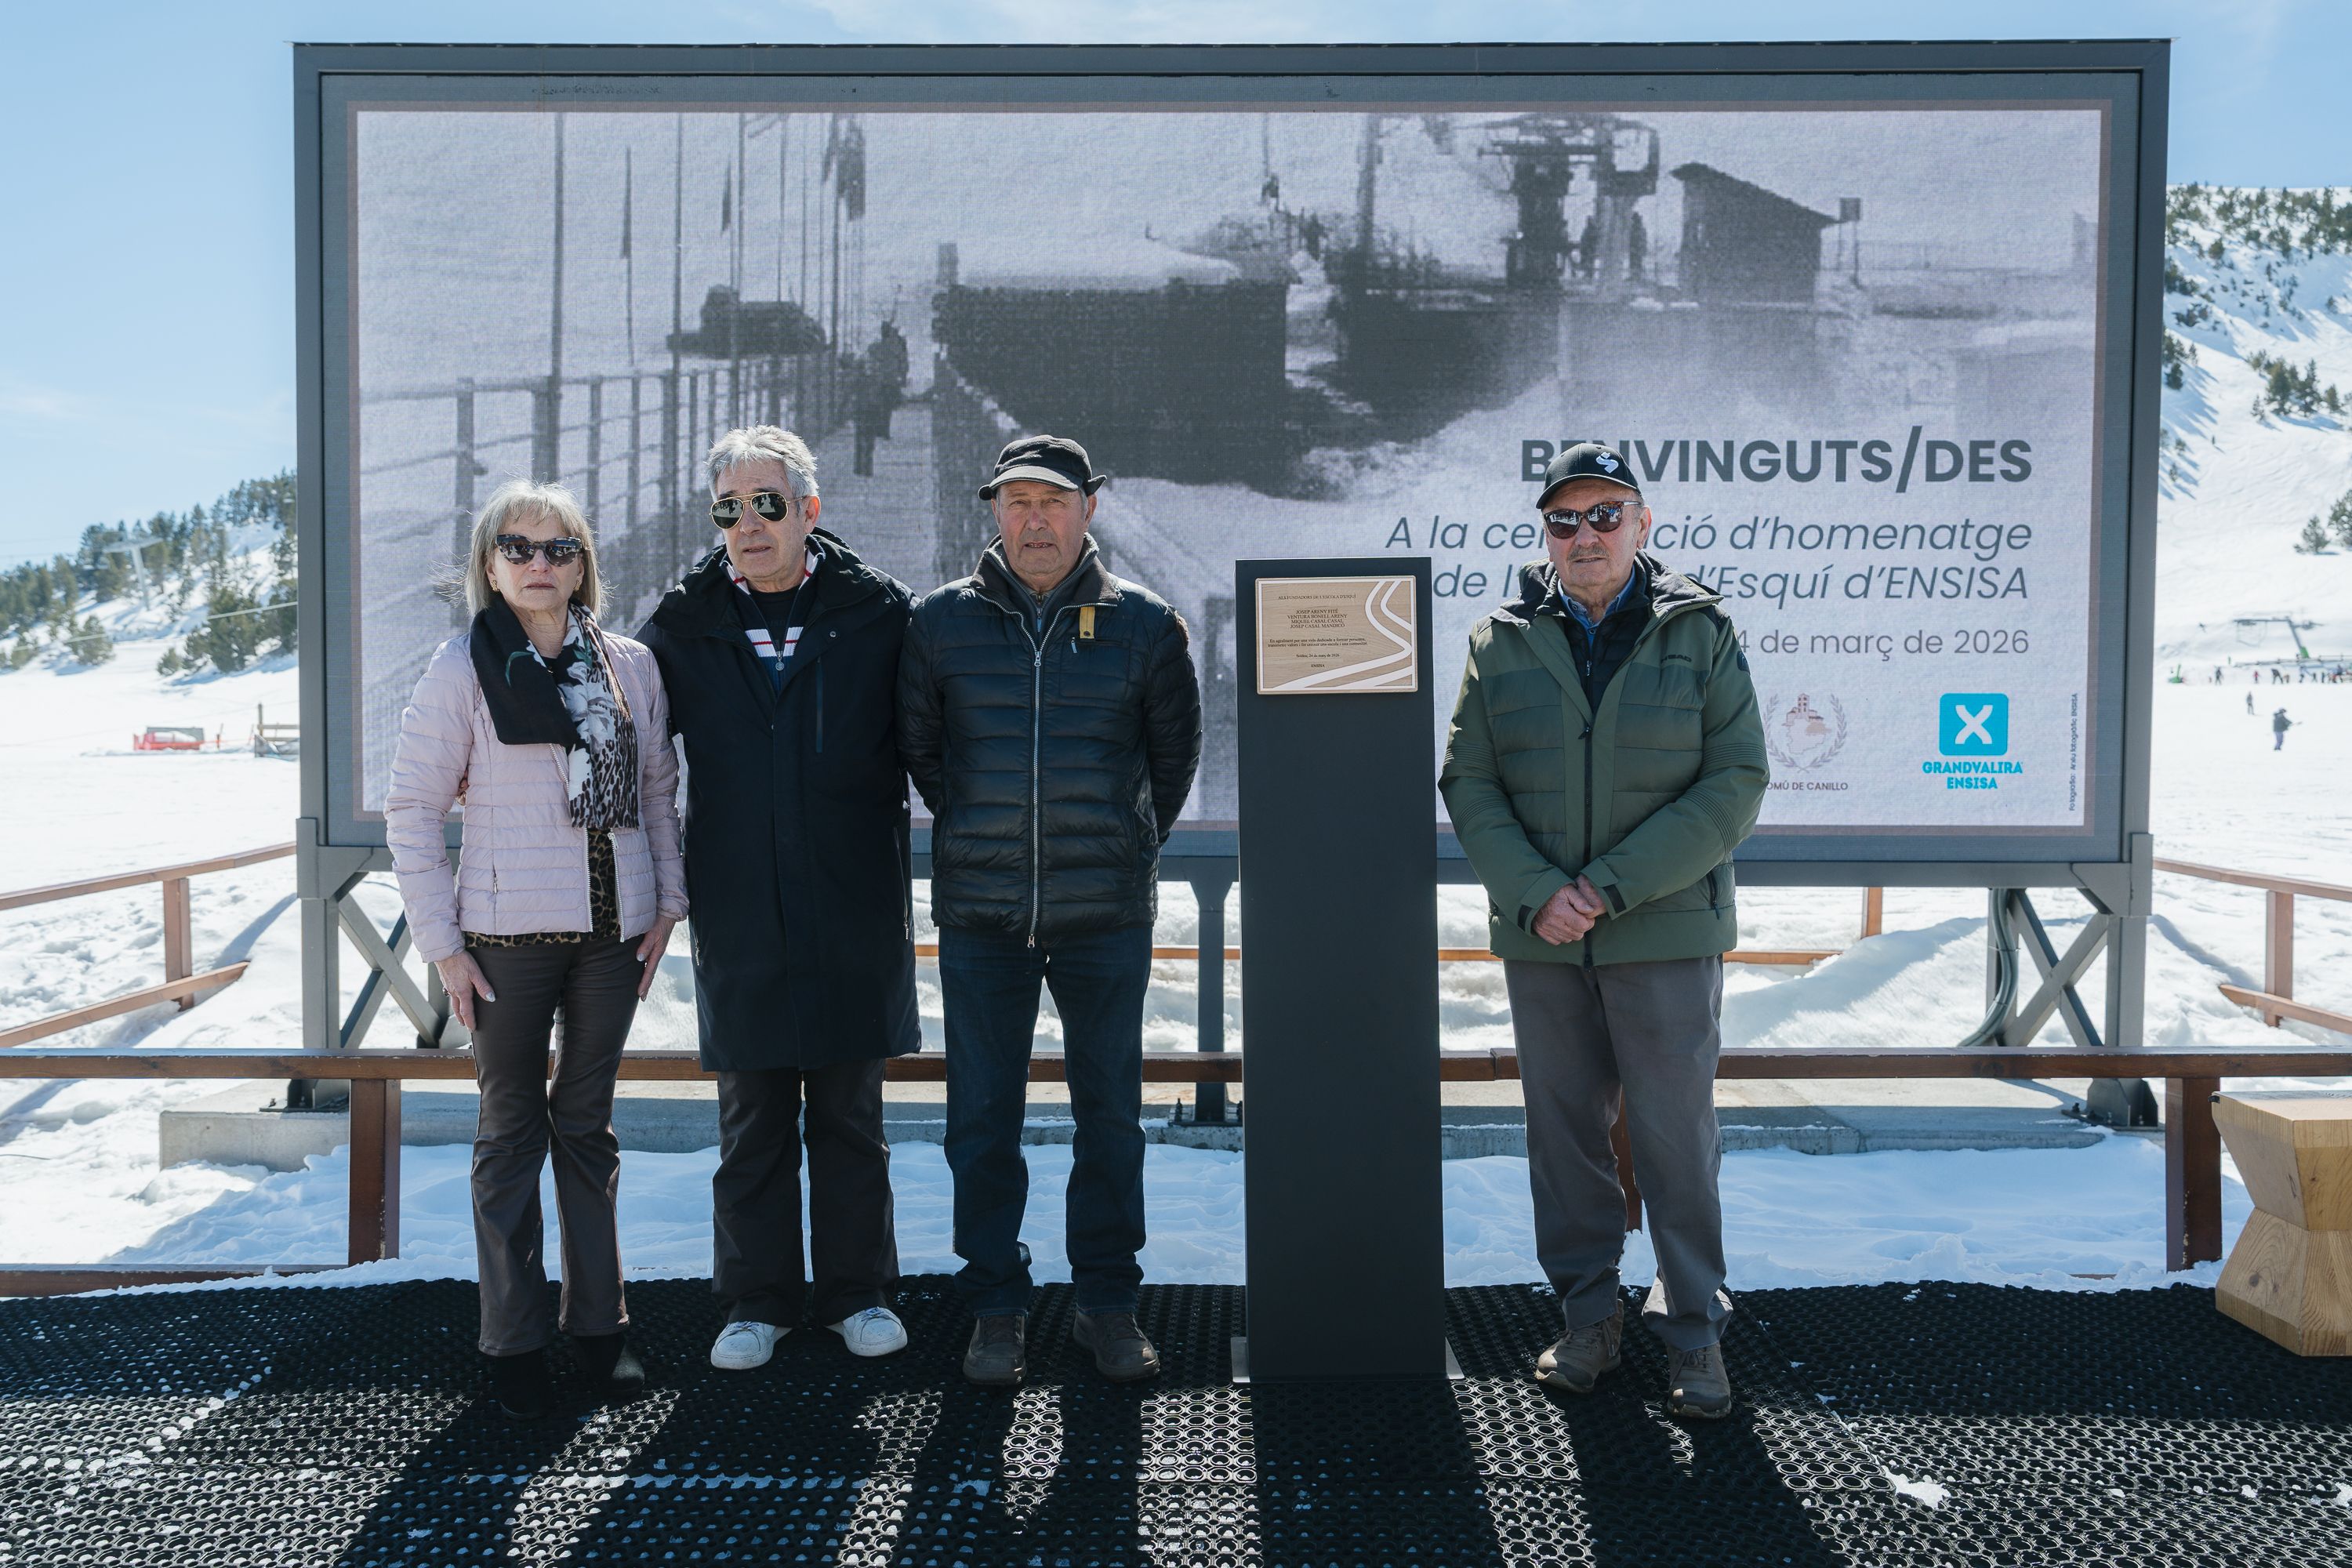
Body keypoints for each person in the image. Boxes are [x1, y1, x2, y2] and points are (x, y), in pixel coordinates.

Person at [1439, 442, 1769, 1422]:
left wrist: (1609, 885)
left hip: (1663, 932)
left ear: (1643, 521)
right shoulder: (1499, 639)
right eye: (1564, 520)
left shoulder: (1700, 631)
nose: (1584, 536)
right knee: (1565, 1140)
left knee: (1675, 1140)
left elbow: (1735, 779)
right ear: (1546, 533)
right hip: (1544, 936)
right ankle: (1588, 1316)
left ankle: (1695, 1329)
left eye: (1604, 514)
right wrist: (1542, 890)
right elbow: (1470, 779)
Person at [897, 434, 1202, 1388]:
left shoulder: (1147, 627)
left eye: (1054, 501)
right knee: (980, 1118)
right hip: (984, 919)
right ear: (993, 510)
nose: (1035, 519)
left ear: (1089, 509)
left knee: (1109, 1114)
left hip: (1104, 915)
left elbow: (1170, 764)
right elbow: (927, 758)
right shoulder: (939, 625)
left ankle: (1107, 1300)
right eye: (1017, 500)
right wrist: (996, 842)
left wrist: (1111, 846)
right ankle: (996, 1300)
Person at [386, 479, 685, 1421]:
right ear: (489, 565)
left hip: (611, 936)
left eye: (559, 548)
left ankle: (601, 1327)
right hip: (504, 942)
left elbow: (656, 790)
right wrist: (443, 947)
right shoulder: (460, 670)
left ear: (583, 561)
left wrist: (667, 902)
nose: (540, 563)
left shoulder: (629, 664)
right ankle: (512, 1338)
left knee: (587, 1132)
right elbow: (412, 810)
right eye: (518, 547)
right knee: (509, 1135)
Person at [638, 426, 920, 1371]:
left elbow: (935, 745)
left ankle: (856, 1293)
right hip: (741, 904)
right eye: (729, 507)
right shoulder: (680, 625)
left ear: (810, 509)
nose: (748, 525)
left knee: (849, 1116)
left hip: (852, 900)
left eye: (767, 503)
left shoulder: (879, 612)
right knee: (752, 1117)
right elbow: (632, 764)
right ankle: (756, 1298)